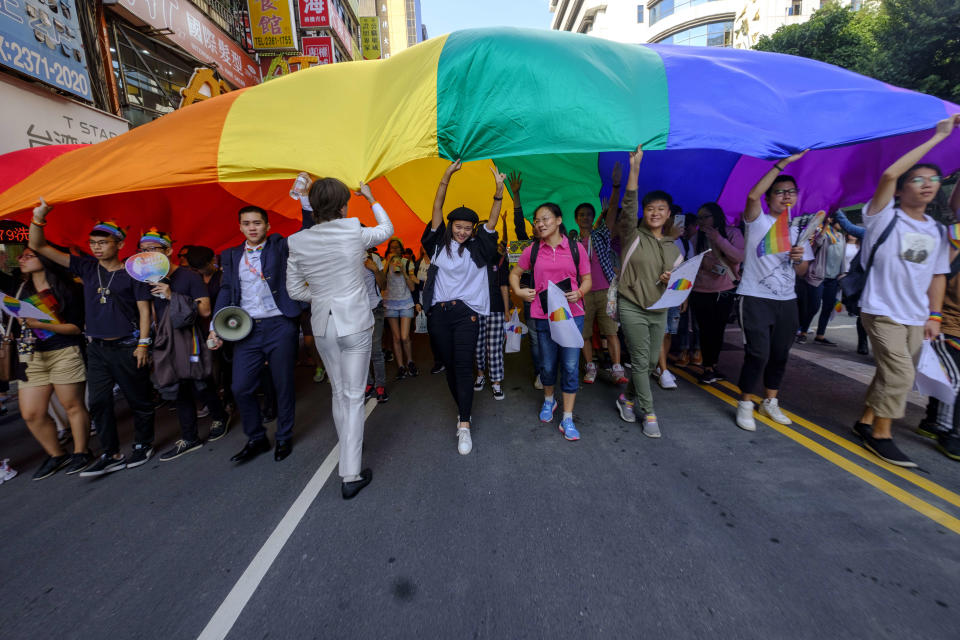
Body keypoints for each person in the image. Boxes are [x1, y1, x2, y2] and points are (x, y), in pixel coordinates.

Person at [851, 114, 958, 467]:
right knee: (900, 375)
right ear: (901, 190)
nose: (927, 184)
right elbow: (889, 175)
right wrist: (939, 136)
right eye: (918, 179)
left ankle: (865, 421)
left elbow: (938, 276)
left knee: (889, 373)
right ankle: (880, 435)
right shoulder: (883, 215)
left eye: (934, 180)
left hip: (916, 317)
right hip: (881, 310)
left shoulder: (936, 231)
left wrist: (935, 315)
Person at [29, 203, 156, 477]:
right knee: (98, 403)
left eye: (103, 243)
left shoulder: (133, 271)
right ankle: (110, 452)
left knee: (139, 400)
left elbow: (145, 310)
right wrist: (39, 218)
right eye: (92, 243)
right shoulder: (86, 267)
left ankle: (144, 444)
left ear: (119, 244)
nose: (96, 247)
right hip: (97, 348)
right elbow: (38, 245)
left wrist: (143, 344)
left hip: (127, 346)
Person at [287, 179, 392, 499]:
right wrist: (372, 198)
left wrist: (321, 297)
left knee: (339, 393)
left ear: (313, 207)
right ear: (344, 205)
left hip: (323, 323)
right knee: (355, 395)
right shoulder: (351, 229)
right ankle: (350, 472)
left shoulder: (297, 240)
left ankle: (349, 444)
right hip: (355, 321)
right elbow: (386, 229)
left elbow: (294, 290)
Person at [208, 205, 305, 463]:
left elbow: (306, 232)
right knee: (240, 387)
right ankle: (257, 438)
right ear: (240, 226)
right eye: (247, 223)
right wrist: (215, 327)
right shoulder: (229, 255)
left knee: (282, 384)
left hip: (279, 324)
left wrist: (304, 203)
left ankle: (284, 437)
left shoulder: (278, 247)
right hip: (246, 329)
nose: (252, 227)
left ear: (267, 226)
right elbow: (227, 290)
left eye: (257, 223)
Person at [423, 160, 504, 455]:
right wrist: (446, 176)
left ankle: (465, 424)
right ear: (450, 226)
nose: (463, 232)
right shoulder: (437, 245)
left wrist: (498, 192)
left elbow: (492, 222)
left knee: (463, 365)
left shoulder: (479, 247)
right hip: (439, 315)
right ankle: (463, 409)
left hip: (466, 314)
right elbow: (436, 209)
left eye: (468, 228)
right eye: (458, 227)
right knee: (448, 366)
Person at [734, 150, 814, 432]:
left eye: (791, 192)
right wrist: (782, 164)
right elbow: (752, 197)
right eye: (779, 192)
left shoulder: (799, 231)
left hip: (786, 301)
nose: (785, 196)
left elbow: (803, 272)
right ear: (770, 198)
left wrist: (798, 258)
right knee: (758, 354)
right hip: (755, 297)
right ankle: (745, 403)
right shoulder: (758, 221)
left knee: (780, 354)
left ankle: (770, 401)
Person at [137, 230, 227, 462]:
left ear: (168, 251)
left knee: (200, 381)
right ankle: (189, 437)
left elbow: (205, 309)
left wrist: (171, 296)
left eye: (153, 249)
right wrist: (145, 342)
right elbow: (146, 312)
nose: (147, 255)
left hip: (190, 339)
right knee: (178, 388)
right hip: (166, 342)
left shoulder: (188, 277)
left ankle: (219, 416)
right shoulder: (144, 278)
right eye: (143, 250)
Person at [610, 146, 680, 438]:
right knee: (640, 361)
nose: (654, 213)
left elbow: (680, 285)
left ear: (668, 215)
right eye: (650, 208)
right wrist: (635, 168)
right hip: (631, 306)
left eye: (660, 209)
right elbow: (629, 204)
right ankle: (649, 412)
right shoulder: (632, 235)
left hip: (659, 309)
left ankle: (625, 397)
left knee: (651, 362)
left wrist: (671, 280)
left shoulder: (673, 248)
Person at [510, 200, 592, 441]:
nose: (540, 223)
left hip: (572, 315)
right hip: (541, 314)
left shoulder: (576, 249)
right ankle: (549, 400)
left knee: (569, 366)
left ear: (558, 221)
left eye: (545, 218)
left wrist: (580, 292)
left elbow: (586, 279)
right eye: (537, 220)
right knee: (546, 365)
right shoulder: (532, 251)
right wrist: (519, 291)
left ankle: (567, 416)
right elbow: (515, 273)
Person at [6, 248, 91, 479]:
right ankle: (56, 454)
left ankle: (81, 451)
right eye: (21, 256)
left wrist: (43, 324)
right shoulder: (21, 289)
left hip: (64, 351)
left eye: (28, 255)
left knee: (72, 405)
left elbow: (76, 328)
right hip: (31, 356)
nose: (21, 259)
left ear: (45, 259)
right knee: (31, 413)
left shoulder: (70, 289)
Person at [575, 164, 627, 386]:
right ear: (576, 219)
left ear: (594, 217)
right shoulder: (572, 243)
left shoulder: (601, 235)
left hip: (605, 291)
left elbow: (613, 210)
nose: (585, 217)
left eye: (589, 214)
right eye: (581, 215)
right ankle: (590, 367)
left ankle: (616, 368)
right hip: (583, 294)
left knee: (610, 332)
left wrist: (616, 186)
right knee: (584, 333)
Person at [688, 202, 745, 384]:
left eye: (706, 217)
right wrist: (705, 264)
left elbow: (738, 257)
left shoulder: (733, 233)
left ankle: (712, 363)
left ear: (716, 216)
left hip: (724, 290)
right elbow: (689, 263)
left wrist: (718, 238)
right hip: (700, 290)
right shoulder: (697, 237)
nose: (702, 221)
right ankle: (708, 367)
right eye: (700, 217)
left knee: (718, 329)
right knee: (705, 330)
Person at [507, 171, 543, 389]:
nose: (538, 226)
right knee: (537, 339)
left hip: (553, 298)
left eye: (542, 222)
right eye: (535, 223)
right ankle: (540, 373)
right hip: (532, 298)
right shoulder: (527, 246)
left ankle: (551, 369)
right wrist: (516, 194)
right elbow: (518, 223)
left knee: (554, 336)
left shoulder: (559, 246)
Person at [796, 216, 846, 346]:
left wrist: (842, 273)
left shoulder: (841, 237)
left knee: (828, 307)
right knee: (814, 306)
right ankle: (803, 332)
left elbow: (843, 256)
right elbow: (817, 243)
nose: (842, 223)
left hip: (833, 278)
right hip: (818, 276)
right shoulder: (821, 232)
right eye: (840, 220)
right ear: (832, 219)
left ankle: (820, 335)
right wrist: (825, 227)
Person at [474, 242, 510, 400]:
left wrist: (507, 311)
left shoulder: (500, 259)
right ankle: (480, 374)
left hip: (495, 308)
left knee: (494, 347)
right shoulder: (472, 258)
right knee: (477, 344)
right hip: (475, 308)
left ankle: (496, 382)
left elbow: (504, 286)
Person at [380, 238, 419, 379]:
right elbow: (382, 285)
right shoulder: (384, 263)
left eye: (397, 248)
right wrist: (386, 265)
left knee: (404, 336)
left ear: (401, 250)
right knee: (396, 338)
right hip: (390, 303)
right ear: (389, 250)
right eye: (392, 248)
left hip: (406, 302)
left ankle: (410, 361)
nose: (394, 250)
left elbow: (413, 287)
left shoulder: (407, 262)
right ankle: (401, 366)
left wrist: (403, 271)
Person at [834, 211, 871, 355]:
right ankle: (862, 343)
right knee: (863, 313)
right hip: (866, 281)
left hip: (892, 285)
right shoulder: (868, 233)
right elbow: (847, 226)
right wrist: (836, 206)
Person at [362, 245, 389, 403]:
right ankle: (368, 383)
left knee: (375, 349)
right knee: (360, 351)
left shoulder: (374, 259)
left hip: (374, 309)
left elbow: (384, 285)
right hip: (355, 312)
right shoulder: (345, 259)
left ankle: (380, 386)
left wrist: (375, 270)